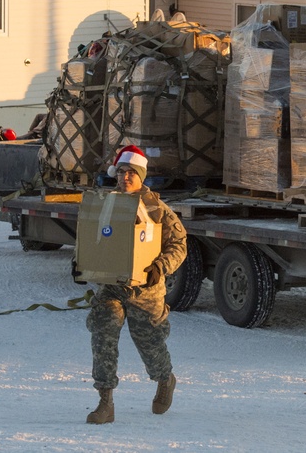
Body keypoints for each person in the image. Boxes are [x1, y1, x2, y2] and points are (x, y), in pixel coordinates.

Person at [85, 145, 188, 424]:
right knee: (103, 333)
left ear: (141, 175)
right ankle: (105, 403)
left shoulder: (157, 209)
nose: (126, 177)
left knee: (150, 343)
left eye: (131, 172)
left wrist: (160, 267)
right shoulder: (107, 204)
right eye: (121, 171)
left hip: (147, 289)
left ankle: (165, 378)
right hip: (112, 284)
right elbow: (90, 239)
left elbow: (179, 245)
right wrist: (80, 261)